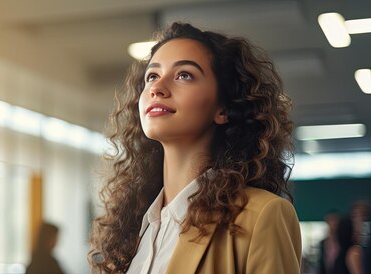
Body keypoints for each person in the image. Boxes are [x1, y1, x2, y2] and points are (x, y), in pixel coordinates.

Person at [89, 22, 301, 274]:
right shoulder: (133, 228)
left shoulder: (262, 216)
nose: (157, 88)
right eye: (152, 76)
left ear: (222, 108)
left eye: (184, 75)